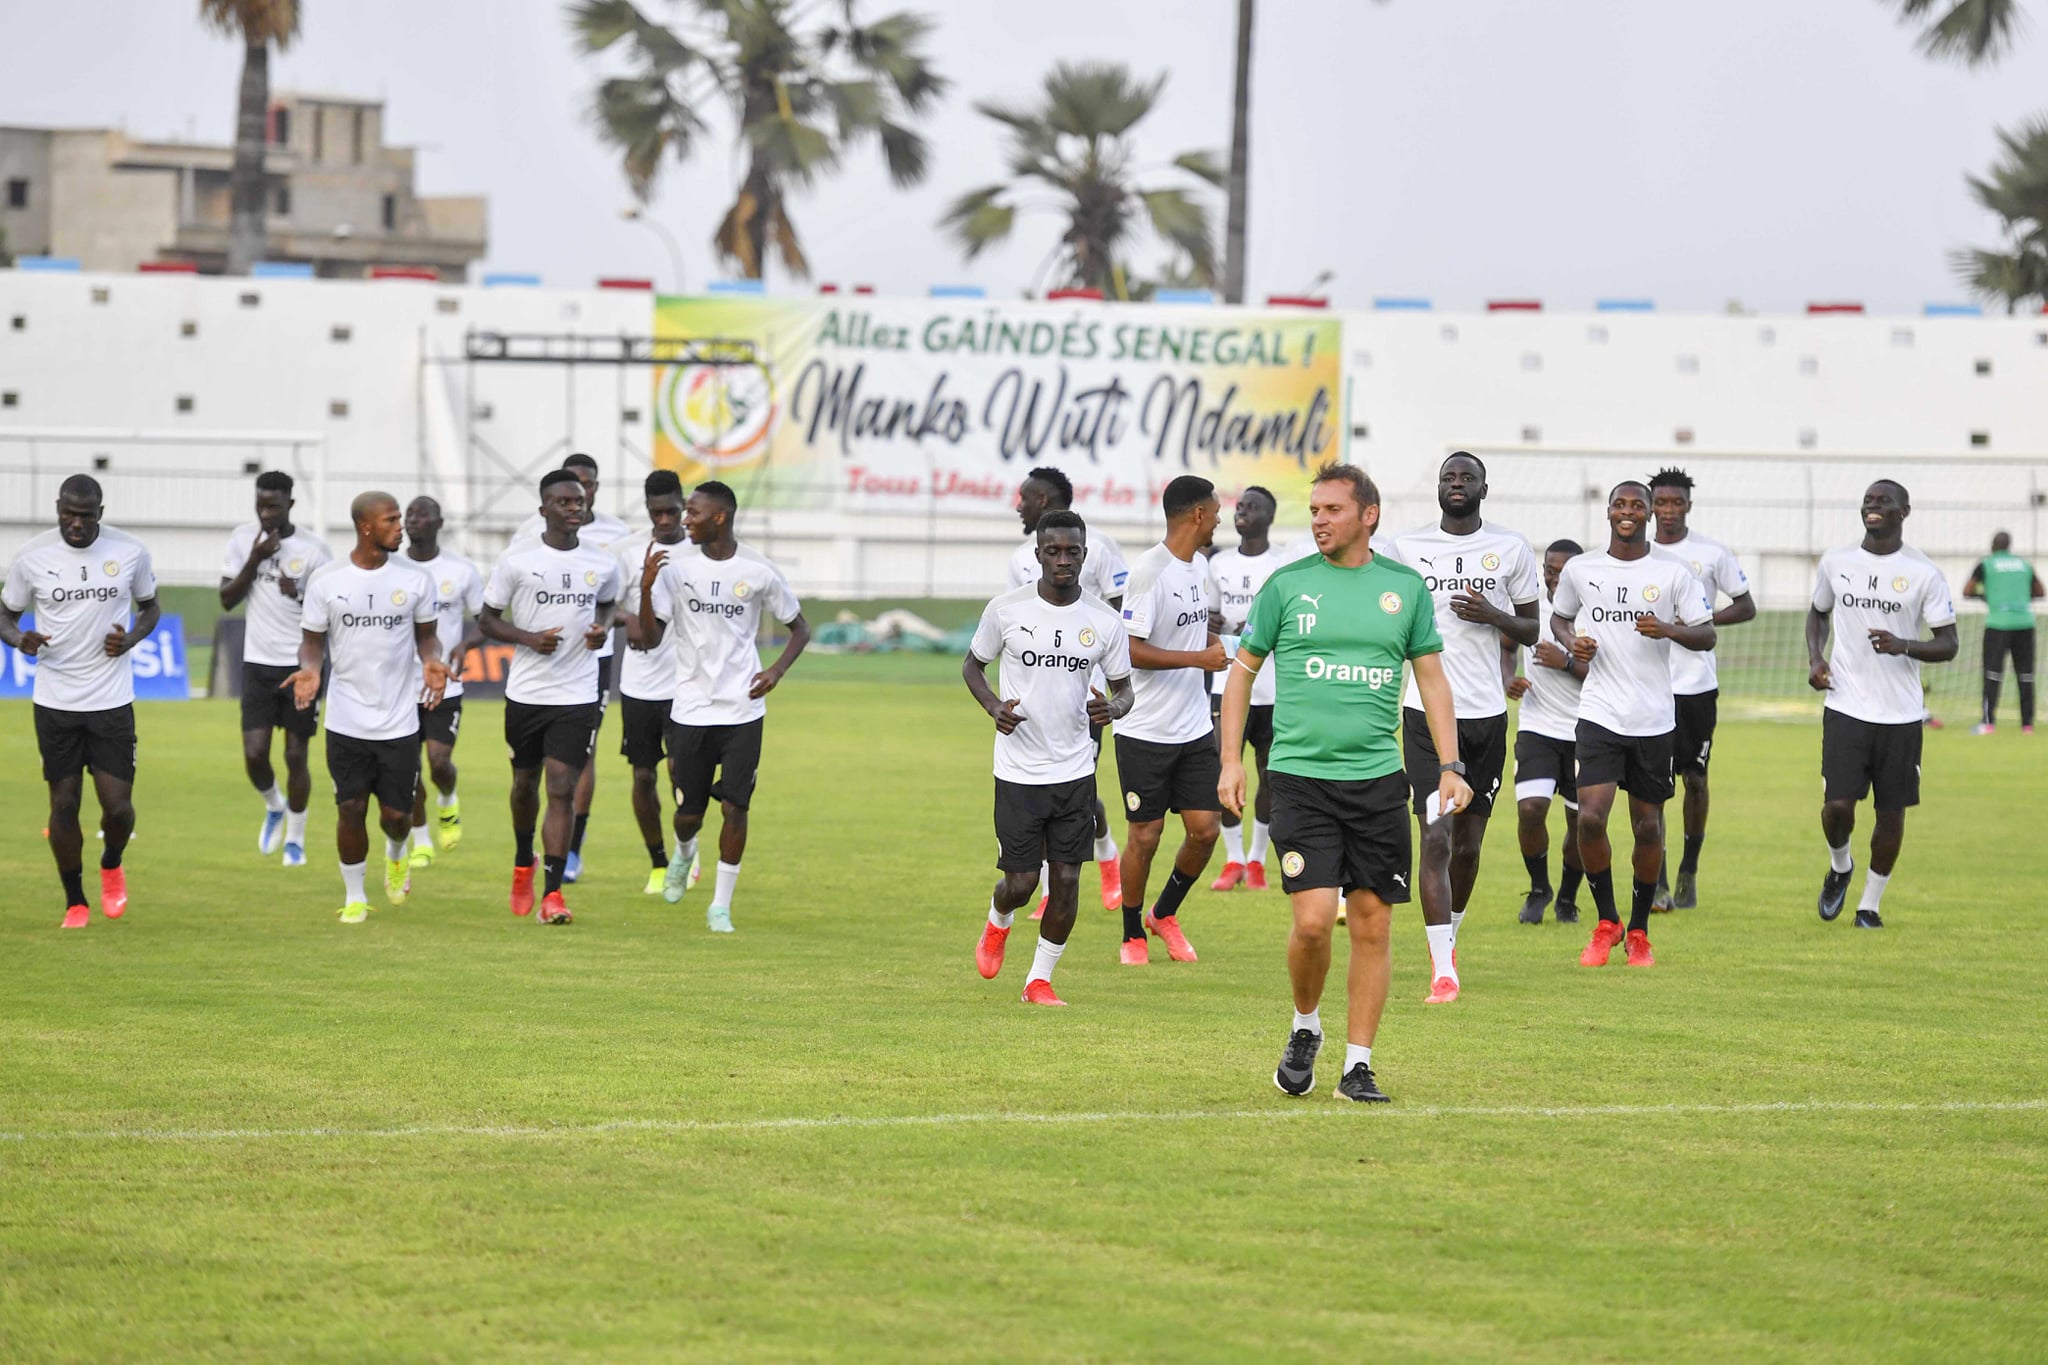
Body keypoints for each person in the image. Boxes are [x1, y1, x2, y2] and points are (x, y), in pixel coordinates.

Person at [1220, 462, 1470, 1104]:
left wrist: (1449, 764)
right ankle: (1306, 1027)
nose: (1320, 521)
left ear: (1369, 515)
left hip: (1379, 783)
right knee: (1310, 923)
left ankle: (1358, 1066)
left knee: (1372, 923)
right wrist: (1230, 760)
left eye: (1332, 509)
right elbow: (1242, 673)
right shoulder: (1287, 586)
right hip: (1300, 779)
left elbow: (1433, 679)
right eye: (1315, 510)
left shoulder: (1404, 590)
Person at [1379, 452, 1541, 1003]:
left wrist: (1492, 616)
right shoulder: (1406, 549)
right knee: (1436, 836)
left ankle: (1448, 935)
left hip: (1487, 718)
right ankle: (1443, 967)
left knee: (1470, 844)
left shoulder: (1511, 547)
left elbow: (1531, 627)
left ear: (1483, 489)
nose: (1456, 484)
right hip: (1424, 715)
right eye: (1448, 476)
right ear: (1439, 488)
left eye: (1466, 477)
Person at [967, 510, 1136, 1005]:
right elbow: (973, 666)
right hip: (1018, 770)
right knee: (1019, 884)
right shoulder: (1006, 609)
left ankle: (1038, 980)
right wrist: (994, 706)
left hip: (1075, 770)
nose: (1063, 561)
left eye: (1073, 552)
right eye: (1054, 552)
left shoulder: (1104, 621)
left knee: (1065, 881)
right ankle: (998, 921)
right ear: (1038, 554)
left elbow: (1125, 690)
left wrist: (1113, 708)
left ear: (1085, 555)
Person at [1550, 482, 1716, 968]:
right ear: (1607, 512)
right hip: (1599, 712)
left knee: (1647, 826)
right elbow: (1561, 619)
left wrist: (1667, 628)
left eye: (1636, 506)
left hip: (1653, 719)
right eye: (1619, 505)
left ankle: (1640, 930)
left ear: (1647, 515)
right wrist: (1572, 642)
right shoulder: (1582, 570)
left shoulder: (1672, 574)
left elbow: (1705, 635)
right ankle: (1607, 922)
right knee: (1591, 816)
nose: (1628, 512)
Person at [641, 480, 811, 933]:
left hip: (742, 711)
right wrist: (644, 588)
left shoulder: (758, 571)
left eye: (692, 513)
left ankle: (720, 905)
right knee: (688, 814)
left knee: (736, 807)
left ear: (719, 517)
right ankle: (683, 852)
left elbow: (800, 629)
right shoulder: (675, 570)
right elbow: (650, 637)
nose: (684, 521)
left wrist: (774, 672)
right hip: (691, 708)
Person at [1, 474, 159, 928]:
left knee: (118, 808)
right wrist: (19, 639)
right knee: (64, 804)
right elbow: (4, 614)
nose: (75, 523)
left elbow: (150, 608)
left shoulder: (129, 551)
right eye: (67, 514)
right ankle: (76, 900)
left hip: (111, 701)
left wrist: (129, 639)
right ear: (58, 509)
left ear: (100, 515)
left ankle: (111, 861)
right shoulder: (32, 556)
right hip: (55, 701)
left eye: (84, 516)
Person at [285, 493, 447, 923]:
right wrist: (311, 670)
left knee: (396, 817)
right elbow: (312, 642)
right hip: (346, 717)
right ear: (366, 527)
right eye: (392, 520)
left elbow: (427, 636)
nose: (401, 526)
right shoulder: (327, 581)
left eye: (400, 519)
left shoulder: (415, 580)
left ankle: (397, 854)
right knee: (350, 808)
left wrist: (432, 660)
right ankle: (355, 895)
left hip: (398, 720)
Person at [1807, 480, 1958, 929]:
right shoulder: (1837, 561)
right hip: (1846, 706)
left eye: (1884, 502)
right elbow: (1818, 612)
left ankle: (1869, 905)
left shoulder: (1923, 572)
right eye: (1869, 501)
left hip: (1901, 716)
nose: (1874, 507)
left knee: (1889, 814)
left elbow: (1948, 643)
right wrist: (1816, 658)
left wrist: (1902, 645)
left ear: (1904, 512)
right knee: (1837, 807)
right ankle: (1840, 867)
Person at [480, 469, 623, 925]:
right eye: (564, 502)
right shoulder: (517, 560)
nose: (575, 508)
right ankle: (524, 860)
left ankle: (553, 894)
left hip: (578, 692)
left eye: (579, 502)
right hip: (526, 694)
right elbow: (486, 620)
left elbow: (608, 601)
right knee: (525, 785)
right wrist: (527, 637)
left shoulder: (601, 562)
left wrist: (602, 629)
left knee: (560, 787)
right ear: (544, 509)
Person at [1114, 474, 1227, 966]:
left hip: (1194, 727)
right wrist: (1198, 660)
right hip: (1144, 730)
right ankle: (1131, 932)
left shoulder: (1200, 566)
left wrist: (1209, 647)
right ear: (1197, 515)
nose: (1221, 518)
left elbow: (1192, 632)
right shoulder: (1147, 572)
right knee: (1146, 834)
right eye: (1216, 510)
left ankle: (1164, 914)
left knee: (1206, 830)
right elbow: (1130, 651)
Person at [1006, 465, 1129, 914]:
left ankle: (1107, 855)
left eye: (1025, 497)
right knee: (1037, 791)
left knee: (1077, 789)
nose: (1018, 505)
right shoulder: (1019, 559)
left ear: (1045, 500)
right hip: (1031, 701)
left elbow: (1117, 611)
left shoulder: (1098, 547)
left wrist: (1112, 679)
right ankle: (1045, 887)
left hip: (1086, 697)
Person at [516, 453, 633, 884]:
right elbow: (512, 585)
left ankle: (572, 851)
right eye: (572, 489)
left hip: (590, 664)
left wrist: (607, 622)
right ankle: (526, 848)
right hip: (536, 667)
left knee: (582, 757)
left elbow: (614, 594)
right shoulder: (530, 535)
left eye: (588, 487)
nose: (580, 498)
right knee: (526, 774)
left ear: (595, 490)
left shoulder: (616, 534)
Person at [1647, 468, 1757, 910]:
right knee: (1651, 787)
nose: (1669, 511)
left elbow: (1745, 605)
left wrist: (1698, 625)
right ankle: (1656, 882)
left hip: (1695, 687)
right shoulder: (1637, 553)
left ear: (1689, 505)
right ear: (1651, 506)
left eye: (1677, 503)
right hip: (1648, 685)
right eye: (1662, 503)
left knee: (1694, 779)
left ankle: (1688, 870)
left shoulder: (1712, 553)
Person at [219, 470, 333, 867]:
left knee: (296, 757)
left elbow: (330, 613)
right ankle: (273, 805)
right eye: (260, 505)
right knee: (254, 755)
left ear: (290, 505)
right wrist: (255, 558)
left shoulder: (315, 551)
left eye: (274, 506)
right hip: (258, 664)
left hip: (302, 666)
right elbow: (227, 599)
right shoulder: (241, 540)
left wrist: (298, 592)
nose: (266, 513)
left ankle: (295, 840)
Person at [616, 470, 696, 896]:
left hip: (686, 682)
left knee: (681, 772)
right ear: (647, 508)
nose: (664, 519)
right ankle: (659, 863)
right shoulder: (626, 552)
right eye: (656, 512)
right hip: (640, 683)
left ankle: (687, 845)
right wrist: (626, 617)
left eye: (672, 511)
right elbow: (601, 603)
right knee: (643, 777)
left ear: (683, 505)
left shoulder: (699, 550)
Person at [1207, 485, 1288, 892]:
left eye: (1252, 507)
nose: (1242, 511)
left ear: (1268, 517)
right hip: (1228, 684)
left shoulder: (1283, 564)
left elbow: (1291, 620)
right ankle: (1232, 860)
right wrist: (1218, 625)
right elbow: (1205, 620)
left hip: (1274, 690)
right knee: (1226, 770)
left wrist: (1259, 630)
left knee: (1269, 776)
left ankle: (1256, 860)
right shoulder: (1217, 564)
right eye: (1239, 506)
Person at [1506, 539, 1587, 925]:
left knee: (1582, 822)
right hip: (1538, 726)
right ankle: (1539, 888)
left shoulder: (1596, 613)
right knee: (1531, 809)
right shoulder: (1533, 612)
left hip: (1587, 730)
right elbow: (1507, 645)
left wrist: (1566, 661)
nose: (1555, 578)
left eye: (1563, 571)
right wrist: (1509, 678)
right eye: (1550, 571)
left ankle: (1568, 899)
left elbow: (1614, 673)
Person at [400, 496, 483, 868]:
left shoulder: (461, 570)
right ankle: (420, 839)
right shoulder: (392, 568)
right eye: (408, 515)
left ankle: (448, 800)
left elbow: (487, 619)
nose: (412, 520)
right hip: (401, 686)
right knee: (408, 768)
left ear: (439, 522)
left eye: (421, 514)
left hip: (444, 684)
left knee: (438, 762)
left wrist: (466, 645)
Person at [1965, 530, 2040, 735]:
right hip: (2025, 623)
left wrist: (1986, 596)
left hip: (1998, 624)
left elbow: (1968, 590)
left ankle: (1988, 723)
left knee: (1992, 673)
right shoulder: (2024, 564)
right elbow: (2040, 590)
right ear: (2009, 546)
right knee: (2025, 675)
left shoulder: (1987, 564)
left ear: (1993, 545)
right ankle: (2027, 725)